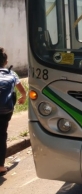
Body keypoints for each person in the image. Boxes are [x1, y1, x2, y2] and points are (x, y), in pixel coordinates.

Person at [0, 47, 27, 176]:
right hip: (5, 110)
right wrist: (23, 98)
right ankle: (0, 166)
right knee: (2, 135)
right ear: (5, 62)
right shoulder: (11, 74)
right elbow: (22, 90)